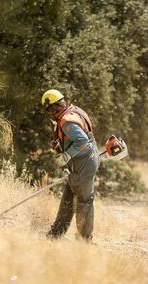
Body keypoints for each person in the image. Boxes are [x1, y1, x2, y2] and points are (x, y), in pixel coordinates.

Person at [40, 89, 99, 241]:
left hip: (84, 164)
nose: (49, 114)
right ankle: (56, 234)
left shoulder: (67, 121)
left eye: (49, 111)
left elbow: (82, 140)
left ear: (54, 108)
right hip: (84, 160)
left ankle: (84, 240)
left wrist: (66, 155)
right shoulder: (73, 110)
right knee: (69, 195)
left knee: (84, 201)